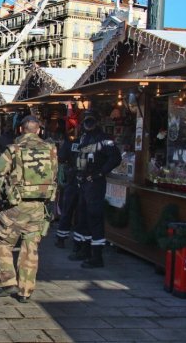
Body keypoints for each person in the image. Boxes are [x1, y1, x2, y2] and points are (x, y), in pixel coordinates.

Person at [0, 115, 58, 303]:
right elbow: (54, 177)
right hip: (39, 207)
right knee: (30, 248)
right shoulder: (51, 150)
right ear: (38, 130)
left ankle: (7, 282)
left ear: (21, 130)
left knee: (3, 241)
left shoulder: (13, 150)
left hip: (16, 205)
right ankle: (26, 290)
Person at [68, 110, 121, 268]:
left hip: (95, 184)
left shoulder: (105, 140)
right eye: (86, 121)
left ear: (97, 122)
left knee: (94, 218)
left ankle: (97, 256)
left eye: (91, 121)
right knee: (82, 217)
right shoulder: (84, 138)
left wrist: (100, 173)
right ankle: (84, 250)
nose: (88, 124)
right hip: (83, 182)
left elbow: (116, 158)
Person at [54, 133, 80, 248]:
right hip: (87, 182)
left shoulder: (71, 143)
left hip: (72, 179)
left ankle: (61, 239)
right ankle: (78, 243)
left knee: (67, 210)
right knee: (81, 213)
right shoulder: (94, 142)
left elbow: (61, 157)